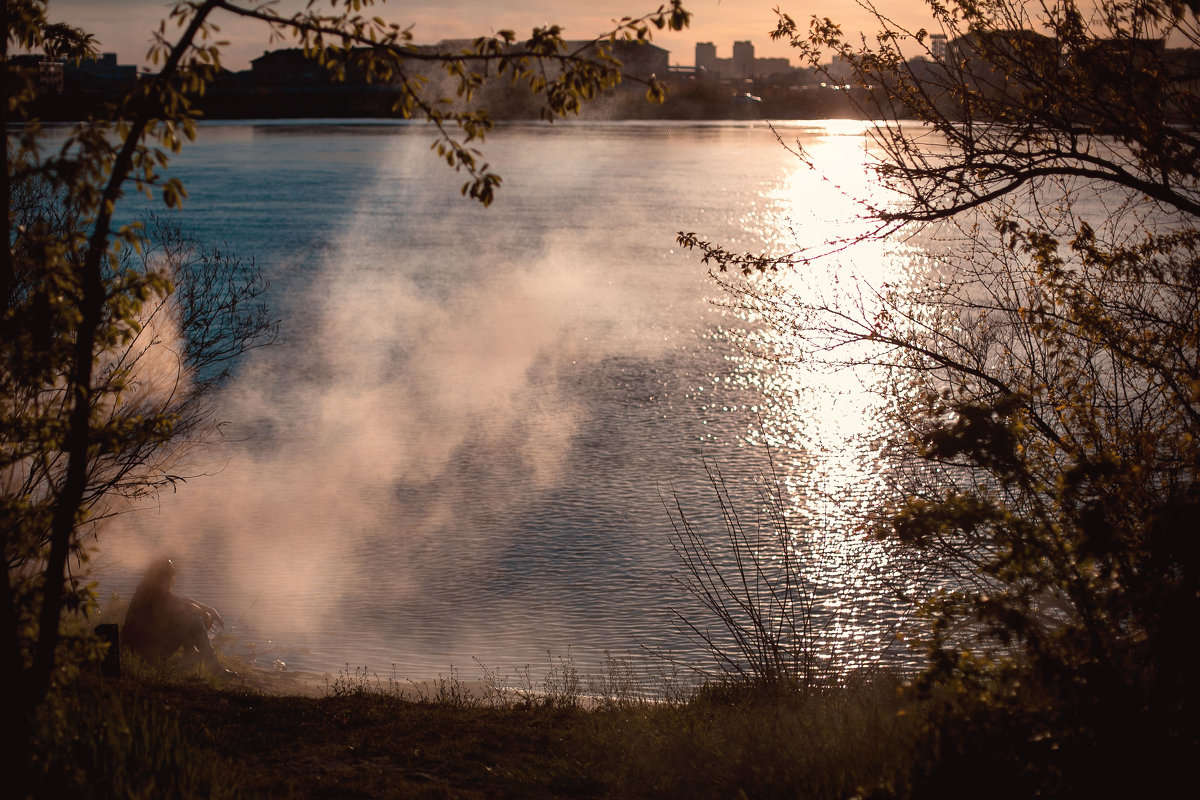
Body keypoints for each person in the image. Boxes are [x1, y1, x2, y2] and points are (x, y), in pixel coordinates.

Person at [122, 557, 234, 675]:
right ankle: (213, 666)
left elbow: (181, 601)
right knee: (191, 618)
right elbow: (188, 607)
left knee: (183, 616)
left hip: (136, 651)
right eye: (171, 574)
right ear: (163, 577)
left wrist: (208, 609)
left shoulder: (148, 590)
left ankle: (189, 657)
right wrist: (204, 614)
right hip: (144, 655)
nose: (173, 578)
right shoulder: (155, 594)